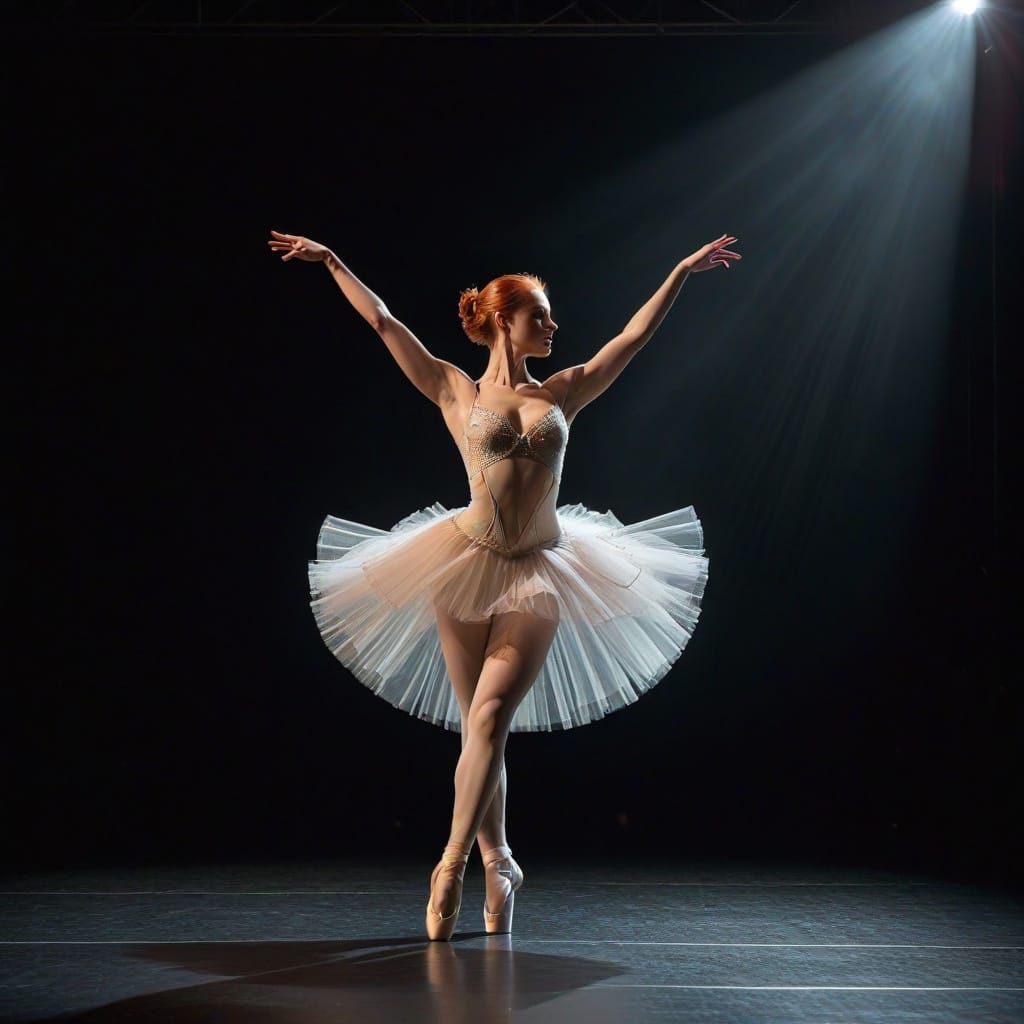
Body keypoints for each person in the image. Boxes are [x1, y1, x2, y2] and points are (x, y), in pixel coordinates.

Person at [268, 228, 741, 941]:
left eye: (550, 317)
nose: (553, 325)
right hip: (461, 562)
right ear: (504, 320)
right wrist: (332, 261)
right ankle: (502, 860)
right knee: (477, 730)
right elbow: (383, 322)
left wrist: (678, 269)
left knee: (489, 718)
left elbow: (633, 337)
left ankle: (452, 864)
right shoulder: (453, 388)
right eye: (541, 315)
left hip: (544, 569)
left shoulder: (565, 391)